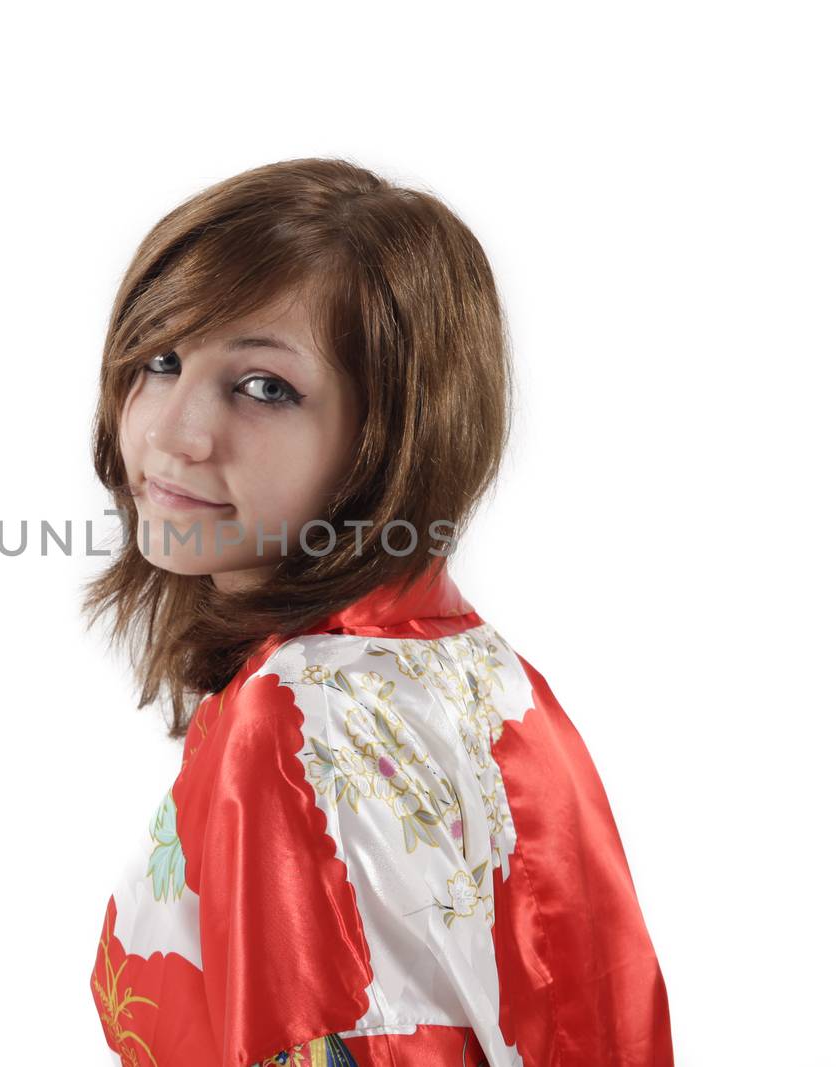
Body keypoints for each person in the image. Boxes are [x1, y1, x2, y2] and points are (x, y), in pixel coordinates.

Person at [84, 158, 673, 1067]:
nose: (170, 432)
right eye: (161, 360)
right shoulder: (490, 674)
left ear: (389, 437)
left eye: (263, 387)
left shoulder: (292, 717)